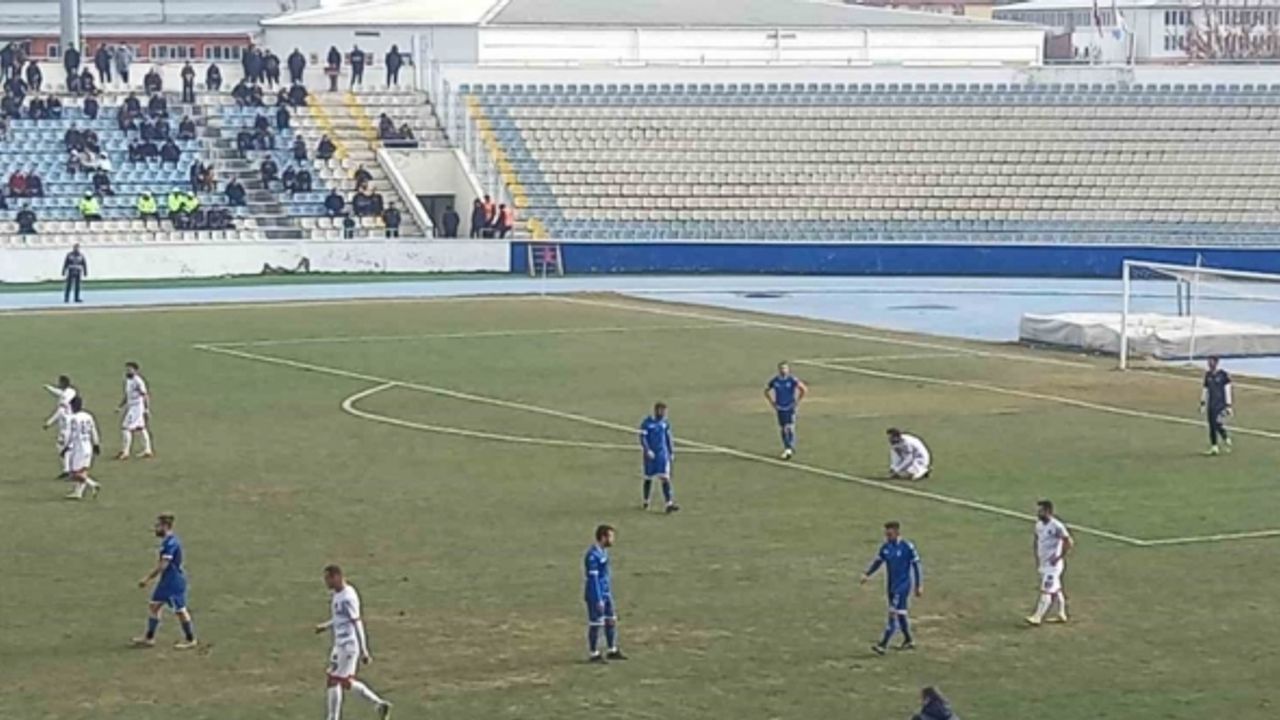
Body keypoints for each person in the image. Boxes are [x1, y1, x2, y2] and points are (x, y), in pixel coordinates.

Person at [315, 565, 393, 720]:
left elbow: (357, 622)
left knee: (334, 680)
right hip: (340, 644)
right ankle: (379, 704)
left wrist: (364, 650)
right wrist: (326, 626)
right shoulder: (338, 594)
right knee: (346, 682)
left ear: (336, 577)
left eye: (328, 579)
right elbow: (340, 618)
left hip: (347, 646)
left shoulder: (348, 597)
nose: (326, 583)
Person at [133, 514, 198, 649]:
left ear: (165, 526)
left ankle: (190, 639)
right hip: (165, 582)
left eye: (158, 526)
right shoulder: (167, 541)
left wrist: (147, 578)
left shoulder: (171, 543)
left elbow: (164, 565)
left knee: (180, 611)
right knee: (154, 606)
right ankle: (149, 638)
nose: (155, 529)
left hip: (174, 582)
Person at [860, 520, 923, 655]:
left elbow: (916, 565)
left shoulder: (907, 547)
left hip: (903, 586)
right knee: (901, 613)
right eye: (886, 534)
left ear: (897, 532)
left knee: (892, 614)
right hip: (891, 586)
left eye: (890, 534)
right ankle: (909, 640)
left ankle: (883, 645)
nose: (887, 537)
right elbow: (878, 562)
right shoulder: (886, 547)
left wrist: (918, 585)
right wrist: (867, 574)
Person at [584, 524, 626, 663]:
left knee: (611, 619)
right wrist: (598, 598)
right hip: (596, 594)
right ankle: (594, 653)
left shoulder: (603, 551)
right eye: (611, 537)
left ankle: (611, 649)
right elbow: (593, 579)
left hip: (606, 592)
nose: (613, 540)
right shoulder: (592, 556)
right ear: (603, 537)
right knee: (596, 623)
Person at [1026, 499, 1072, 626]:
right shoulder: (1039, 525)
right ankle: (1061, 614)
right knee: (1056, 590)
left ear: (1048, 511)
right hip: (1043, 564)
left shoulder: (1057, 526)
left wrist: (1059, 557)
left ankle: (1037, 617)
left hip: (1053, 566)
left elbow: (1069, 542)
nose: (1038, 513)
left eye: (1041, 511)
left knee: (1046, 590)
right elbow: (1038, 539)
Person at [639, 402, 679, 512]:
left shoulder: (665, 423)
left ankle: (669, 504)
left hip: (662, 455)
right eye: (662, 411)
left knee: (665, 478)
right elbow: (643, 438)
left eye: (665, 411)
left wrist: (671, 452)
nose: (664, 413)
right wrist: (647, 450)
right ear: (657, 410)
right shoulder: (647, 423)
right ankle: (646, 500)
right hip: (650, 456)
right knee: (648, 478)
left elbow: (668, 438)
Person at [61, 396, 102, 500]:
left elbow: (70, 434)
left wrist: (66, 446)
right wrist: (96, 444)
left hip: (79, 448)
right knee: (83, 471)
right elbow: (94, 430)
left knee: (74, 473)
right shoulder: (88, 416)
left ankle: (93, 484)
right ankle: (78, 493)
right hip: (88, 446)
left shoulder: (73, 418)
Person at [765, 361, 807, 460]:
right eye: (781, 368)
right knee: (783, 428)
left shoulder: (792, 380)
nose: (783, 370)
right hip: (780, 408)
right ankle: (787, 447)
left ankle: (789, 448)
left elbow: (803, 389)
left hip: (790, 407)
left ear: (788, 370)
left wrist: (797, 402)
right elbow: (766, 391)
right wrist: (772, 402)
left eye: (785, 368)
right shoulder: (775, 380)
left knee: (789, 427)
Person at [42, 375, 78, 478]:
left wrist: (48, 423)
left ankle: (68, 470)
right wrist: (48, 388)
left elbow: (60, 412)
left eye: (60, 382)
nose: (58, 384)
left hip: (66, 426)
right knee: (67, 447)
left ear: (63, 383)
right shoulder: (69, 392)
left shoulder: (66, 397)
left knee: (62, 447)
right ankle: (69, 469)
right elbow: (59, 393)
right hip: (70, 423)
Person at [117, 361, 153, 459]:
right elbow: (127, 396)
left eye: (130, 369)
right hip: (132, 407)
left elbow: (145, 395)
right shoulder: (128, 380)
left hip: (136, 408)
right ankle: (148, 450)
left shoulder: (138, 381)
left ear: (135, 370)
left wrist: (147, 409)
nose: (128, 371)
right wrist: (120, 406)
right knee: (141, 428)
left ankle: (125, 452)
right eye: (127, 369)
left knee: (126, 428)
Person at [1201, 355, 1233, 455]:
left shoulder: (1223, 375)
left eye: (1211, 361)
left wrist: (1228, 405)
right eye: (1208, 362)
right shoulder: (1208, 375)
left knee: (1216, 422)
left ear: (1216, 362)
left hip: (1221, 404)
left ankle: (1224, 437)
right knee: (1212, 424)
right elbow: (1205, 390)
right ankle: (1214, 446)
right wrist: (1203, 403)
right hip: (1211, 404)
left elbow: (1228, 390)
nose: (1209, 364)